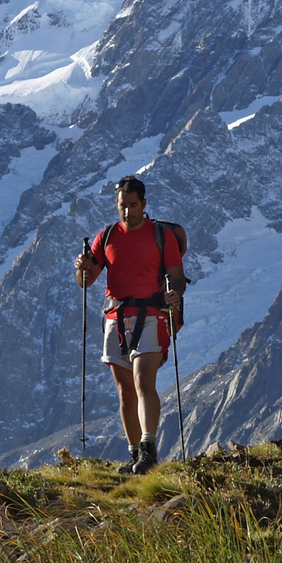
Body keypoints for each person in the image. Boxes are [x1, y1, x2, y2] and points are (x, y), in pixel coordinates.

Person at [75, 176, 184, 474]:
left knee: (142, 380)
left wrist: (175, 293)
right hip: (116, 317)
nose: (127, 212)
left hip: (153, 313)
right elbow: (87, 280)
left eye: (133, 206)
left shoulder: (162, 236)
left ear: (144, 204)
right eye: (123, 206)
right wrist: (82, 268)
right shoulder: (106, 237)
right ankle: (136, 453)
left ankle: (148, 449)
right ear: (116, 204)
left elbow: (176, 275)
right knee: (125, 391)